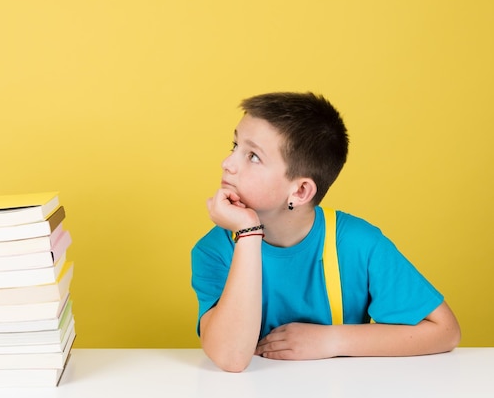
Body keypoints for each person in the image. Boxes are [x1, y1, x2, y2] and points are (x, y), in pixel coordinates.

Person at [190, 92, 461, 372]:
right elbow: (231, 358)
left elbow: (445, 331)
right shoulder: (215, 250)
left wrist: (332, 340)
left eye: (253, 156)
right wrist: (247, 234)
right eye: (234, 145)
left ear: (300, 191)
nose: (228, 163)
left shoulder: (358, 244)